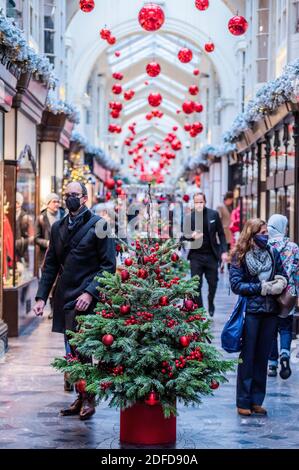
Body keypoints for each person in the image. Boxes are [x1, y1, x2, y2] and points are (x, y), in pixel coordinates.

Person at [33, 181, 116, 420]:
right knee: (73, 351)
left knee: (86, 350)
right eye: (66, 194)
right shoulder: (58, 227)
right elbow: (50, 265)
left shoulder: (100, 226)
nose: (70, 198)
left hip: (87, 298)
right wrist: (40, 297)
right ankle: (80, 396)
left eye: (74, 195)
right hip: (65, 296)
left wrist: (90, 292)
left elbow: (108, 266)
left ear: (85, 198)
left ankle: (89, 398)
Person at [230, 218, 287, 416]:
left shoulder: (273, 253)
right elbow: (236, 285)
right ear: (252, 235)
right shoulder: (240, 256)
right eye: (262, 232)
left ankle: (256, 400)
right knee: (248, 357)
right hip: (251, 313)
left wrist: (280, 282)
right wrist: (260, 288)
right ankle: (243, 401)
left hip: (270, 312)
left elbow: (282, 273)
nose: (266, 235)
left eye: (266, 232)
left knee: (262, 357)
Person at [184, 192, 228, 317]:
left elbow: (221, 234)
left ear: (205, 202)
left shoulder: (213, 214)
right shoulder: (190, 217)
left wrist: (224, 251)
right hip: (196, 256)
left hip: (211, 255)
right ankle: (201, 310)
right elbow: (184, 236)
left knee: (213, 283)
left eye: (201, 202)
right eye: (196, 202)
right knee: (196, 285)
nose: (198, 204)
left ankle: (211, 302)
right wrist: (191, 236)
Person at [267, 214, 299, 380]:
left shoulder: (265, 245)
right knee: (286, 326)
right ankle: (285, 355)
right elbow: (297, 270)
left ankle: (272, 364)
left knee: (271, 329)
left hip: (270, 291)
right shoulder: (293, 247)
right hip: (288, 293)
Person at [35, 193, 65, 321]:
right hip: (46, 256)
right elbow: (36, 238)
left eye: (58, 201)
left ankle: (56, 308)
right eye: (54, 201)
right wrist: (47, 243)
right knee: (50, 282)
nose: (57, 204)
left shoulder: (64, 216)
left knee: (59, 284)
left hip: (62, 256)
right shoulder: (41, 218)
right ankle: (52, 308)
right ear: (48, 203)